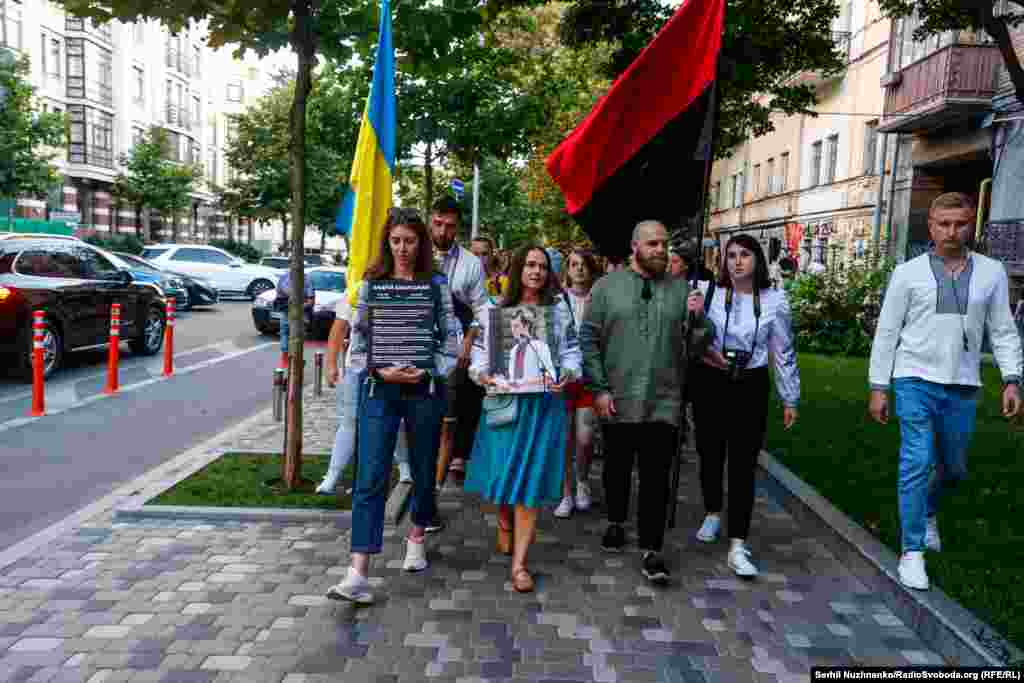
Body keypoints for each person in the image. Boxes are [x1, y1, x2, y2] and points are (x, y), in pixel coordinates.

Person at [868, 192, 1022, 591]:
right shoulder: (908, 273)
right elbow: (887, 332)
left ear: (972, 224)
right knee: (917, 460)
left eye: (961, 223)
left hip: (963, 383)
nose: (953, 232)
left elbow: (1003, 330)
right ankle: (912, 551)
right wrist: (879, 385)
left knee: (952, 469)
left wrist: (1011, 378)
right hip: (914, 378)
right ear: (931, 226)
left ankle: (929, 511)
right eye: (944, 224)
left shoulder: (991, 272)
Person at [326, 209, 461, 605]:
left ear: (421, 244)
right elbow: (361, 342)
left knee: (422, 469)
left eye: (410, 241)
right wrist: (380, 370)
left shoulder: (435, 285)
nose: (403, 248)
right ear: (387, 242)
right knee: (370, 475)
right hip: (379, 389)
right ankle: (357, 572)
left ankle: (417, 534)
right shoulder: (372, 285)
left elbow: (449, 343)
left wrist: (428, 371)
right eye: (396, 240)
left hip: (423, 390)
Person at [580, 220, 712, 584]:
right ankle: (616, 521)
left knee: (657, 479)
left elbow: (696, 347)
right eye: (653, 243)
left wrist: (698, 318)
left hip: (664, 401)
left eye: (664, 244)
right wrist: (600, 389)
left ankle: (653, 550)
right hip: (619, 397)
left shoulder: (680, 289)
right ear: (635, 246)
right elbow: (588, 340)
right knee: (617, 470)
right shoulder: (607, 288)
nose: (660, 250)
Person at [465, 245, 582, 593]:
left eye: (543, 266)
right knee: (503, 475)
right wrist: (482, 375)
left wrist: (569, 372)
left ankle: (519, 565)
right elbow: (480, 358)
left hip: (544, 407)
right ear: (518, 269)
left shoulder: (558, 312)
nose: (537, 271)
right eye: (530, 265)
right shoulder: (494, 311)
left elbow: (572, 351)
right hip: (505, 405)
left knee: (529, 483)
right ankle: (504, 519)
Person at [691, 234, 800, 578]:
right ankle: (712, 510)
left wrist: (789, 396)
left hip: (750, 384)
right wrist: (693, 315)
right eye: (731, 255)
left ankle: (738, 542)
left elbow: (782, 351)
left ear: (757, 260)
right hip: (711, 381)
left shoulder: (774, 301)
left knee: (743, 462)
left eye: (745, 255)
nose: (737, 261)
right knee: (710, 451)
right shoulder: (708, 293)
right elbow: (692, 335)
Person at [431, 197, 488, 483]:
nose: (442, 232)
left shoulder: (471, 264)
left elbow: (482, 309)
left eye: (450, 226)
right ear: (431, 219)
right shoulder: (417, 255)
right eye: (438, 224)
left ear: (458, 228)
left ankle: (442, 475)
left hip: (454, 348)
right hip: (417, 346)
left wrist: (469, 340)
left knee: (447, 418)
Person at [554, 248, 600, 518]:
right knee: (564, 438)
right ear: (567, 269)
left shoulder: (600, 298)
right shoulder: (558, 300)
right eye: (573, 264)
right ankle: (566, 491)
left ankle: (582, 482)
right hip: (563, 376)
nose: (579, 269)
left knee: (584, 437)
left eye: (583, 264)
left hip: (589, 376)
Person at [274, 267, 314, 369]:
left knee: (291, 335)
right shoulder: (285, 278)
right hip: (290, 313)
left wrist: (298, 307)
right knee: (287, 334)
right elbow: (278, 296)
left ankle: (292, 359)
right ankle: (288, 358)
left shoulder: (306, 280)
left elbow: (311, 301)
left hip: (299, 314)